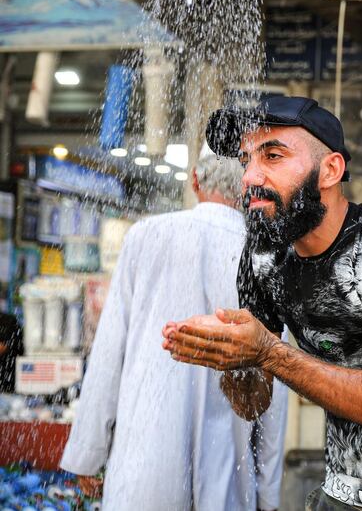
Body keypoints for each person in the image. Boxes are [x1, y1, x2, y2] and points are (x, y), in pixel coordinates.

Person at [162, 95, 362, 510]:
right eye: (246, 159)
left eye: (273, 155)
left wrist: (269, 353)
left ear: (330, 169)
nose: (250, 176)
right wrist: (230, 357)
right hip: (336, 494)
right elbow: (252, 404)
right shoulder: (263, 255)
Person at [60, 149, 288, 511]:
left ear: (194, 181)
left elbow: (108, 354)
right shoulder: (265, 255)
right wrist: (268, 492)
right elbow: (275, 383)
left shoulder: (146, 236)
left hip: (145, 467)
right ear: (247, 189)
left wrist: (88, 454)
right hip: (228, 473)